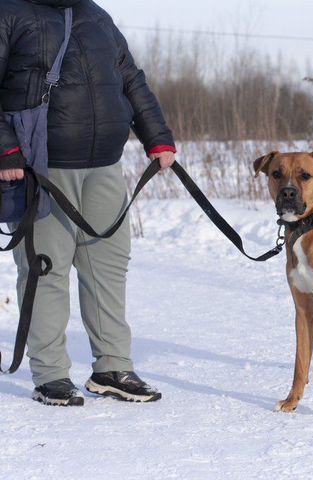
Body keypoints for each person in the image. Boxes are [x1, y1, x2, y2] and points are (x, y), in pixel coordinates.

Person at [0, 0, 176, 406]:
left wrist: (157, 135)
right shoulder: (10, 12)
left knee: (108, 267)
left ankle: (113, 367)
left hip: (105, 163)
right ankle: (51, 375)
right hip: (43, 165)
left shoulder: (96, 16)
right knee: (46, 267)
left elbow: (130, 78)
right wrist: (6, 151)